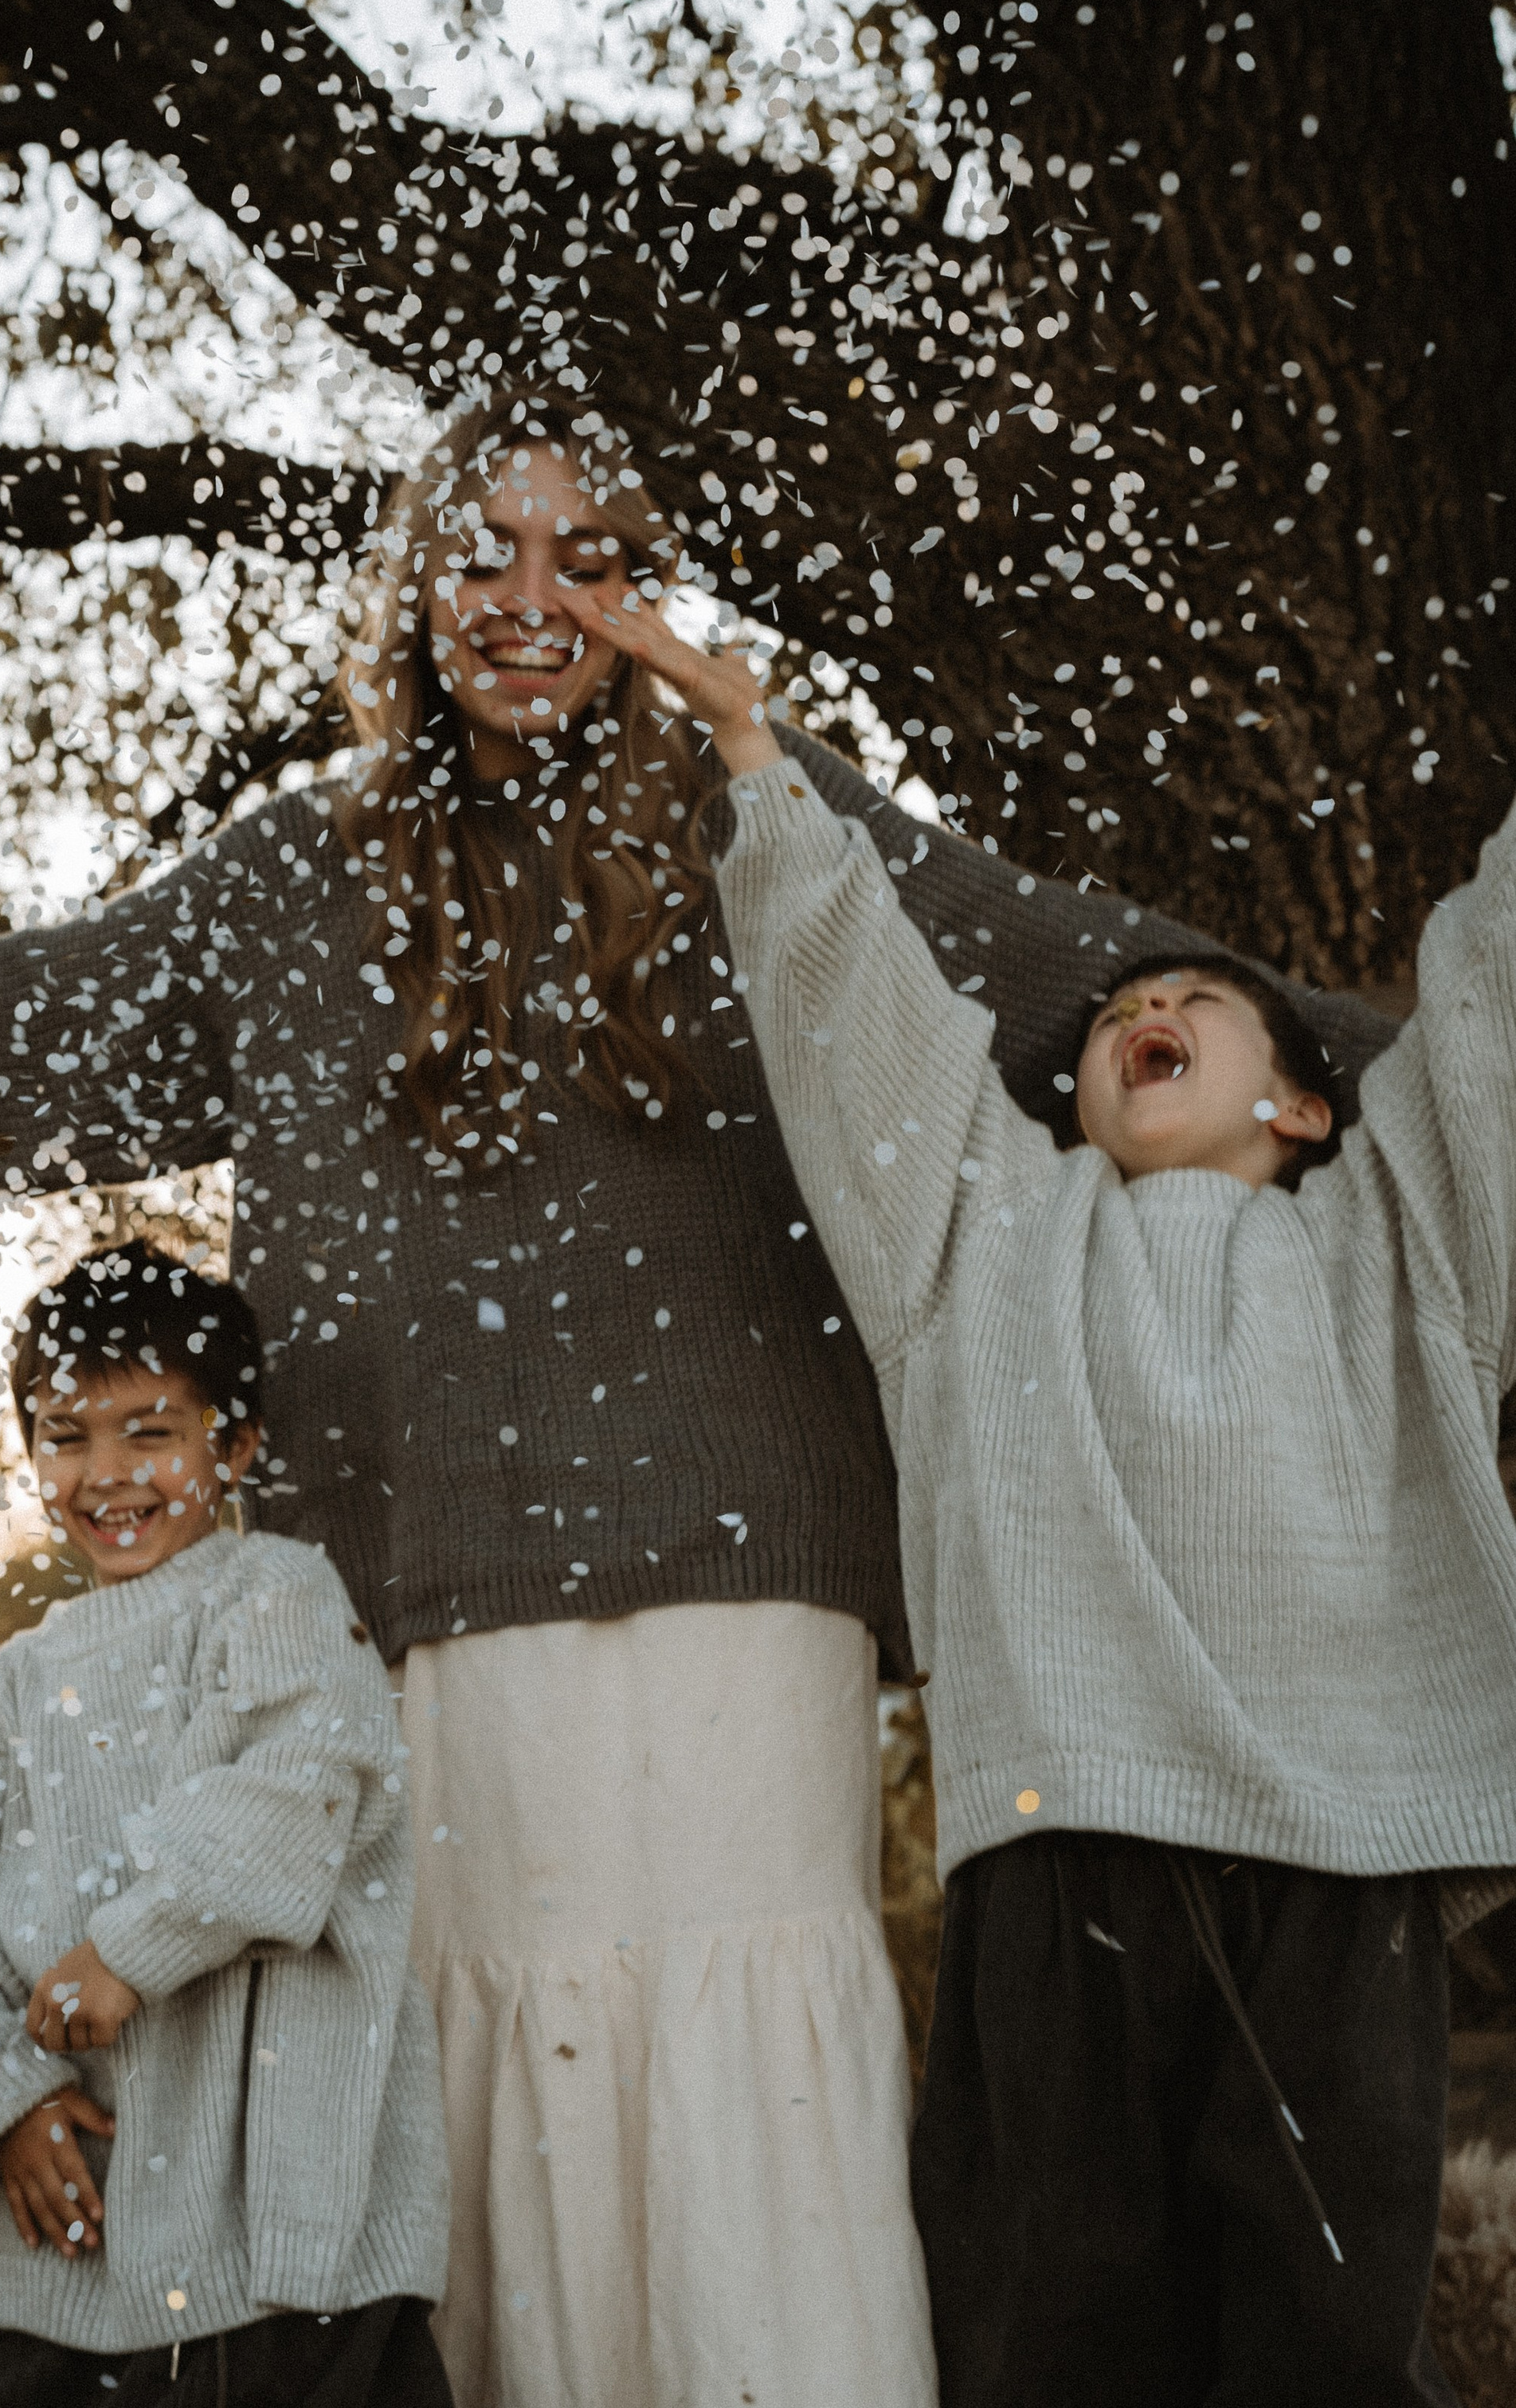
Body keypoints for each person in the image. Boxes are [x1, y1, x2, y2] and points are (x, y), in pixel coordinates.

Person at [0, 395, 1395, 2408]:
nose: (526, 596)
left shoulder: (773, 821)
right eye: (481, 551)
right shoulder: (293, 879)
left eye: (584, 556)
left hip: (738, 1587)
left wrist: (1416, 1106)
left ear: (643, 596)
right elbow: (20, 1020)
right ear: (407, 593)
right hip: (409, 1604)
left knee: (738, 2077)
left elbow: (1090, 975)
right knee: (468, 2105)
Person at [586, 584, 1516, 2408]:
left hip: (1344, 1867)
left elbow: (1486, 1005)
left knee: (1325, 2347)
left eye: (1201, 1003)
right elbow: (859, 1013)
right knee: (1046, 2328)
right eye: (1115, 1011)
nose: (1147, 1004)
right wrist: (755, 761)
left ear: (1308, 1110)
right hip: (1062, 1839)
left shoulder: (1403, 1246)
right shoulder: (982, 1233)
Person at [0, 1244, 452, 2408]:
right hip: (60, 2242)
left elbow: (298, 1789)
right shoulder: (16, 1682)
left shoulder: (276, 1592)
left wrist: (130, 1948)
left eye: (151, 1431)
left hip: (278, 2242)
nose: (106, 1472)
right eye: (66, 1434)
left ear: (230, 1446)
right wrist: (8, 2100)